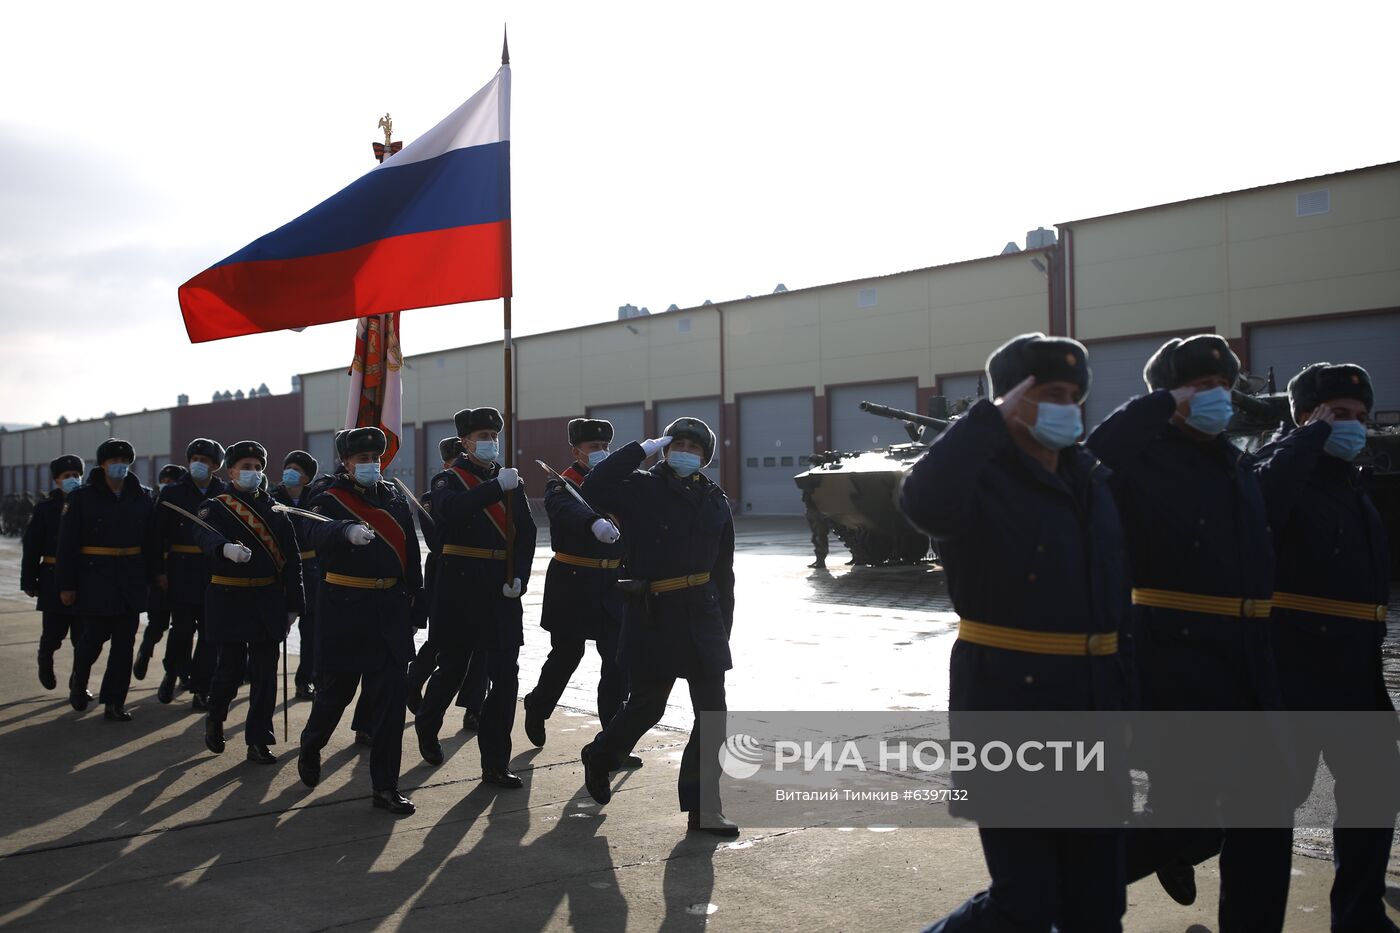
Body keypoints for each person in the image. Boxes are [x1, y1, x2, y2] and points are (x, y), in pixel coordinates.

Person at [900, 334, 1131, 931]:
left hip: (1095, 708)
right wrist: (988, 421)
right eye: (1052, 394)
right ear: (1012, 400)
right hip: (1009, 703)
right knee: (1024, 903)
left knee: (1098, 902)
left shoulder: (1091, 480)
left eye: (1075, 396)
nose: (1068, 407)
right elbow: (923, 502)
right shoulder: (979, 476)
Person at [1086, 334, 1293, 932]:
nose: (1218, 398)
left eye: (1224, 386)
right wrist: (1151, 411)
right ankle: (1047, 896)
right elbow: (1087, 470)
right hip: (1179, 668)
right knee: (1187, 822)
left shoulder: (1234, 463)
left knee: (1267, 816)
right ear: (1167, 396)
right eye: (1201, 388)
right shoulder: (1139, 461)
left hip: (1250, 669)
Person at [1252, 363, 1399, 933]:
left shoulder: (1354, 490)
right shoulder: (1275, 471)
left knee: (1374, 795)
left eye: (1361, 417)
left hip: (1357, 676)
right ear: (1306, 417)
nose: (1355, 427)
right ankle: (1174, 846)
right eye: (1341, 415)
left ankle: (1358, 915)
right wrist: (1307, 437)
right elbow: (1260, 506)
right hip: (1294, 673)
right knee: (1265, 805)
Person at [578, 416, 739, 836]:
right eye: (678, 443)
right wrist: (640, 449)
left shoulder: (715, 500)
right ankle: (600, 756)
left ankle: (704, 809)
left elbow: (724, 572)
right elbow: (592, 488)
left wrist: (725, 625)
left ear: (706, 456)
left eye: (695, 446)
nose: (686, 451)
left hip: (703, 615)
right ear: (665, 449)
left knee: (714, 714)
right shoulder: (641, 487)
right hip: (655, 611)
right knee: (647, 706)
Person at [298, 427, 423, 814]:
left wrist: (417, 606)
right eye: (362, 459)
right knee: (336, 696)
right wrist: (344, 531)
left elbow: (410, 551)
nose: (370, 464)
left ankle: (385, 786)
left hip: (390, 609)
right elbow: (309, 529)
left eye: (375, 458)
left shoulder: (393, 495)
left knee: (389, 706)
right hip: (346, 611)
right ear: (346, 462)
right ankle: (312, 743)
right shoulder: (328, 495)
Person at [416, 407, 536, 789]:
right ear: (464, 442)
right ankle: (427, 723)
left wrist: (519, 575)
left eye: (492, 435)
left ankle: (495, 763)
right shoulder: (447, 479)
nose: (488, 442)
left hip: (500, 591)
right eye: (480, 436)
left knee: (504, 679)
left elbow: (527, 533)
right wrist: (494, 488)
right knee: (452, 667)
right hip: (459, 588)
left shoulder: (509, 480)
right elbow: (450, 512)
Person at [522, 418, 634, 762]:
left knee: (617, 663)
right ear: (577, 451)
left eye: (605, 447)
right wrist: (592, 522)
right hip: (573, 579)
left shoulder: (619, 483)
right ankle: (538, 705)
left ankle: (611, 742)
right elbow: (564, 509)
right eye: (593, 448)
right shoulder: (563, 485)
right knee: (567, 654)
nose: (601, 453)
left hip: (612, 584)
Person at [193, 441, 303, 764]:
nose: (252, 473)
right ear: (230, 471)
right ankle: (215, 717)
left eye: (257, 467)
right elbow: (204, 535)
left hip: (267, 600)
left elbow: (291, 560)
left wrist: (294, 604)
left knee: (265, 674)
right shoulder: (216, 506)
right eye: (245, 467)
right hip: (229, 598)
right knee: (229, 669)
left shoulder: (276, 510)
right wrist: (225, 549)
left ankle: (258, 739)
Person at [57, 438, 160, 721]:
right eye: (113, 461)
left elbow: (151, 542)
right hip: (95, 578)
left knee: (125, 644)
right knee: (93, 638)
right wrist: (67, 585)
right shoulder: (82, 497)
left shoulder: (142, 496)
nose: (119, 466)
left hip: (130, 577)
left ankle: (115, 701)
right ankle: (79, 681)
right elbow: (66, 545)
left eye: (124, 461)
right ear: (102, 465)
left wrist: (155, 575)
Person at [147, 438, 226, 708]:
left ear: (215, 465)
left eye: (205, 460)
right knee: (180, 630)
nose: (198, 464)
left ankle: (201, 687)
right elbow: (156, 536)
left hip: (213, 573)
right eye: (195, 459)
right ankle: (172, 673)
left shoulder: (224, 493)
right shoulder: (172, 493)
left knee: (210, 635)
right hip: (179, 572)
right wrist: (158, 570)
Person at [22, 455, 86, 691]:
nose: (73, 480)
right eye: (67, 476)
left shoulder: (88, 503)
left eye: (77, 475)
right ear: (57, 480)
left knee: (84, 638)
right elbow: (31, 547)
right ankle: (45, 659)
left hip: (84, 578)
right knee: (53, 633)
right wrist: (28, 580)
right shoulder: (45, 509)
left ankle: (78, 682)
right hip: (52, 577)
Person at [272, 449, 322, 700]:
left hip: (311, 572)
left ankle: (305, 679)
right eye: (288, 467)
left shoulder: (315, 499)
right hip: (282, 572)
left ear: (306, 478)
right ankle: (259, 672)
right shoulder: (271, 498)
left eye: (297, 470)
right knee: (276, 628)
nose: (290, 473)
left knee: (311, 632)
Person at [135, 464, 187, 683]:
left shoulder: (183, 503)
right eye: (164, 481)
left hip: (182, 572)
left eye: (172, 482)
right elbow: (150, 542)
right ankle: (145, 653)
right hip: (160, 574)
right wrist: (155, 573)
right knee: (157, 624)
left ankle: (179, 671)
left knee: (182, 628)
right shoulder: (153, 503)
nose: (167, 485)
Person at [801, 484, 830, 569]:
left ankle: (821, 561)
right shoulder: (808, 489)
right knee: (815, 538)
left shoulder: (819, 489)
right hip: (812, 512)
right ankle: (819, 560)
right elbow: (805, 500)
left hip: (818, 513)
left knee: (820, 537)